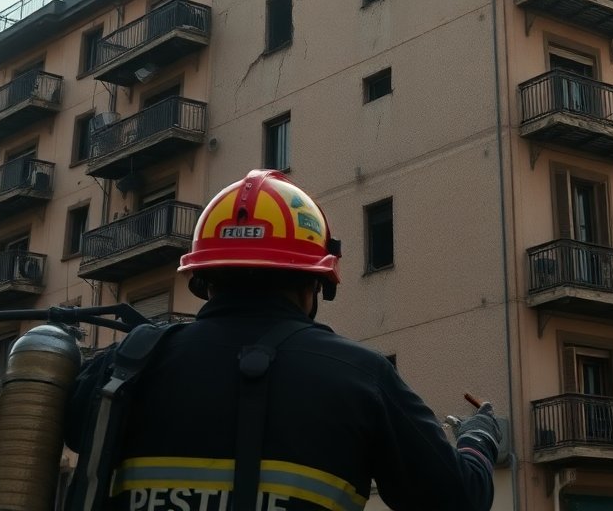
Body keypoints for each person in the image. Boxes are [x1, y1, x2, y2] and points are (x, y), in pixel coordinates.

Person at [63, 170, 502, 511]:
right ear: (313, 284)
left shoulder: (125, 368)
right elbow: (457, 499)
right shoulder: (361, 379)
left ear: (205, 278)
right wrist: (479, 439)